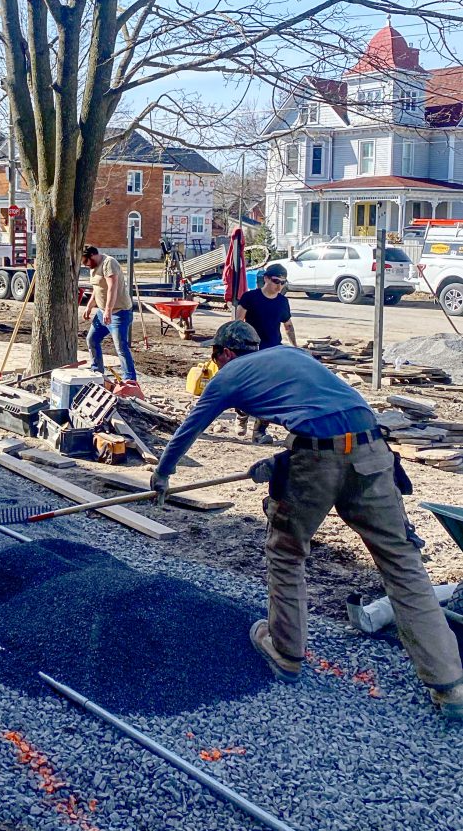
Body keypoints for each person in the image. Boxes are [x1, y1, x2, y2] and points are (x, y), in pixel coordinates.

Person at [149, 320, 463, 721]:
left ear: (224, 353)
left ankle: (286, 652)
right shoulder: (292, 356)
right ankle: (450, 685)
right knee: (404, 567)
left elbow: (188, 429)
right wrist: (282, 462)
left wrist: (163, 475)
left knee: (286, 550)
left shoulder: (227, 375)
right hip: (373, 449)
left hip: (319, 456)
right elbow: (325, 416)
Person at [234, 262, 297, 445]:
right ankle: (242, 415)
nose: (279, 286)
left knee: (270, 392)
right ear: (266, 279)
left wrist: (295, 346)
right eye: (276, 281)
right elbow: (238, 322)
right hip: (251, 350)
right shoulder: (250, 298)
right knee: (246, 388)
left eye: (283, 283)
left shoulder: (282, 302)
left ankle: (259, 431)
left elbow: (288, 325)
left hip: (273, 351)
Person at [80, 244, 139, 390]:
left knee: (120, 346)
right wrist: (89, 306)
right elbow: (97, 288)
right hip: (102, 312)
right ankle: (97, 371)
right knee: (92, 339)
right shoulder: (94, 267)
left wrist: (108, 309)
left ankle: (130, 379)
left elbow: (112, 287)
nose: (85, 265)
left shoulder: (109, 263)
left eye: (85, 261)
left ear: (92, 255)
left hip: (119, 313)